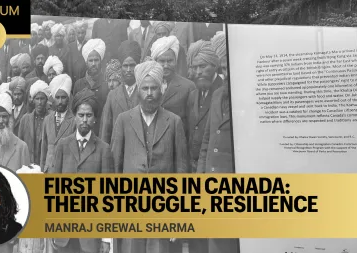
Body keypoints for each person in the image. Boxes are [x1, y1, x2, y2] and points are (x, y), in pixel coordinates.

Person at [111, 60, 187, 253]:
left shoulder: (174, 122)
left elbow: (182, 170)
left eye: (154, 88)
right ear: (139, 90)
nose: (149, 93)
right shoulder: (123, 120)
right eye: (145, 88)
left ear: (161, 90)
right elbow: (115, 167)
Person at [49, 88, 112, 253]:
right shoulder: (63, 145)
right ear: (74, 117)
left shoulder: (104, 149)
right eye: (81, 115)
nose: (84, 120)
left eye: (88, 115)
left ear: (95, 119)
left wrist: (106, 238)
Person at [196, 35, 239, 253]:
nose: (226, 73)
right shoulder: (216, 96)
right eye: (223, 69)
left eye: (229, 67)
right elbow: (206, 142)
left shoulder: (245, 99)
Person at [186, 40, 223, 172]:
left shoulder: (223, 92)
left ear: (214, 65)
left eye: (202, 66)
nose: (198, 72)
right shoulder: (192, 95)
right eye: (194, 67)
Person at [150, 35, 196, 135]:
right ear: (155, 62)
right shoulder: (147, 85)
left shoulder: (188, 87)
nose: (166, 65)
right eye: (162, 61)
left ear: (176, 61)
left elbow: (192, 125)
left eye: (170, 61)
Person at [100, 40, 141, 144]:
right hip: (118, 153)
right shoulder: (112, 95)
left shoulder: (145, 92)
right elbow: (106, 131)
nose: (128, 69)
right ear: (121, 67)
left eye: (132, 65)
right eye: (125, 65)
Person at [73, 38, 109, 136]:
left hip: (101, 132)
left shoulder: (106, 84)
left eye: (96, 60)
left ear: (100, 61)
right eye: (91, 60)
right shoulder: (78, 84)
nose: (93, 64)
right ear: (86, 62)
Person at [41, 74, 76, 172]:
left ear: (68, 98)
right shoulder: (47, 120)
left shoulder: (74, 121)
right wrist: (42, 169)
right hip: (49, 172)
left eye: (63, 97)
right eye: (57, 97)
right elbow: (44, 149)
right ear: (54, 99)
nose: (60, 101)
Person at [18, 80, 51, 165]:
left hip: (45, 165)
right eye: (37, 99)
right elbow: (20, 144)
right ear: (33, 100)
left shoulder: (51, 119)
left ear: (46, 99)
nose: (39, 102)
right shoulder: (25, 119)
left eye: (42, 99)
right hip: (29, 165)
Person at [68, 20, 88, 84]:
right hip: (73, 79)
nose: (80, 35)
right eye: (78, 33)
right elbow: (69, 65)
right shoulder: (70, 46)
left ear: (85, 33)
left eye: (82, 33)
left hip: (84, 78)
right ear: (76, 33)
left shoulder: (88, 45)